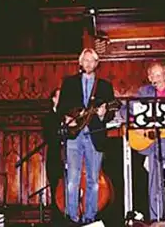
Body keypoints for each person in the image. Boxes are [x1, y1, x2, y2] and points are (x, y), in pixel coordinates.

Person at [57, 48, 115, 224]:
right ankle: (73, 217)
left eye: (93, 61)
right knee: (72, 178)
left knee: (93, 179)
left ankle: (90, 217)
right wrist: (68, 117)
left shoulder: (104, 86)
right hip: (74, 136)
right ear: (80, 63)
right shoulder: (69, 83)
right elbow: (61, 108)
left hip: (94, 136)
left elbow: (112, 111)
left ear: (97, 64)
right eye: (86, 60)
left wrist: (104, 114)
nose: (89, 63)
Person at [135, 62, 165, 222]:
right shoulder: (144, 92)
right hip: (152, 144)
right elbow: (127, 109)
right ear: (150, 78)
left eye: (160, 75)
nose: (157, 78)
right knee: (154, 185)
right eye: (153, 75)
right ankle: (156, 220)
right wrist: (136, 124)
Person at [41, 87, 63, 212]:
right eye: (60, 97)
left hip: (70, 159)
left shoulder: (68, 116)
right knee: (56, 192)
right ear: (53, 99)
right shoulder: (48, 118)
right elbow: (50, 137)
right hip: (55, 159)